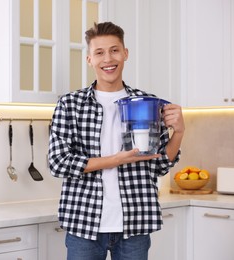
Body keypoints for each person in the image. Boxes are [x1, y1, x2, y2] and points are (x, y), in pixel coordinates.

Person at [48, 22, 185, 260]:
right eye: (99, 52)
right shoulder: (70, 104)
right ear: (89, 59)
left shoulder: (147, 103)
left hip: (134, 224)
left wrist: (179, 133)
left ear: (125, 53)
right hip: (84, 223)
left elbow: (161, 163)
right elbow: (58, 163)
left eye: (114, 50)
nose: (107, 59)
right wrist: (116, 160)